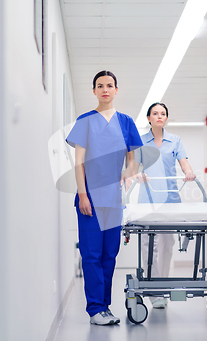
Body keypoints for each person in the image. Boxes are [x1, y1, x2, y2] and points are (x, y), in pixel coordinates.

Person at [66, 70, 143, 325]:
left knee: (110, 254)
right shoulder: (85, 121)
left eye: (110, 85)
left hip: (114, 199)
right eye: (100, 86)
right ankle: (95, 309)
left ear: (116, 90)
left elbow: (133, 160)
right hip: (89, 198)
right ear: (94, 91)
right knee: (91, 254)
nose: (105, 89)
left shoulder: (126, 122)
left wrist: (127, 173)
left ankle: (105, 307)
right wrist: (82, 193)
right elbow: (78, 161)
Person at [135, 102, 196, 309]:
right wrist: (138, 174)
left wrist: (188, 172)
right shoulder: (141, 141)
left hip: (170, 201)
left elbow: (184, 162)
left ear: (166, 118)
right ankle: (152, 290)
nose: (159, 116)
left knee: (166, 244)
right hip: (148, 201)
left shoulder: (175, 141)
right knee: (147, 245)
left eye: (163, 113)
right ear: (149, 118)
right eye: (155, 113)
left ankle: (162, 287)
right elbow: (133, 168)